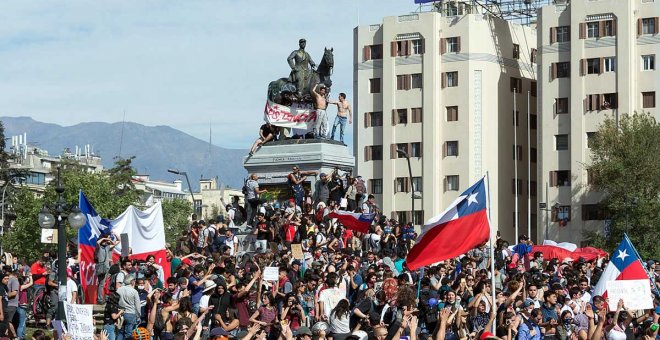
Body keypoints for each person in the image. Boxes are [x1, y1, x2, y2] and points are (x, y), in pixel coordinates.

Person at [96, 234, 119, 303]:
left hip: (107, 268)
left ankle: (105, 298)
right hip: (101, 268)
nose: (105, 242)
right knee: (101, 284)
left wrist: (109, 240)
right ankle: (99, 299)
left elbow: (114, 243)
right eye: (104, 240)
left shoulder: (107, 247)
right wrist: (103, 239)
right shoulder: (99, 247)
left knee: (106, 284)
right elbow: (98, 242)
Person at [117, 275, 141, 340]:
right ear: (132, 281)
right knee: (129, 334)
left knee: (120, 332)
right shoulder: (134, 291)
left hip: (120, 313)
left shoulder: (119, 290)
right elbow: (138, 306)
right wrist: (138, 316)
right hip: (131, 314)